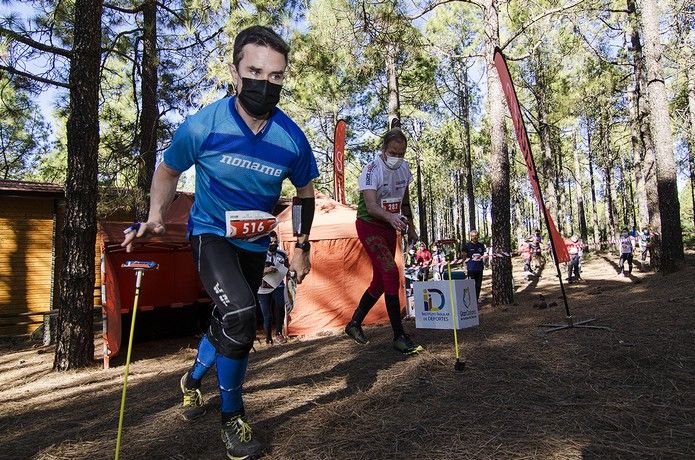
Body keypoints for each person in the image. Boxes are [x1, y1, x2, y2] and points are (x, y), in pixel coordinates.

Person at [121, 26, 319, 460]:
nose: (264, 84)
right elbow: (168, 170)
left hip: (253, 245)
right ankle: (232, 415)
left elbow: (305, 192)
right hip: (209, 234)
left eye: (276, 76)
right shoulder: (205, 125)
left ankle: (192, 381)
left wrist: (302, 246)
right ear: (235, 72)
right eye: (254, 71)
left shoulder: (291, 139)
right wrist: (156, 217)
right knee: (243, 315)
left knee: (227, 319)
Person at [344, 125, 423, 355]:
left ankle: (354, 323)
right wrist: (391, 217)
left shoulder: (404, 169)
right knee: (390, 273)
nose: (397, 158)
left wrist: (411, 227)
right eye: (393, 152)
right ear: (383, 149)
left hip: (390, 226)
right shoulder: (371, 169)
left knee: (380, 281)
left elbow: (405, 202)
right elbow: (370, 205)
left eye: (401, 154)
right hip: (370, 225)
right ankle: (399, 336)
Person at [258, 231, 289, 345]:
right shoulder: (260, 254)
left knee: (280, 307)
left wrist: (290, 273)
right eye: (271, 242)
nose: (273, 244)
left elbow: (287, 267)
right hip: (263, 287)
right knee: (267, 314)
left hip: (278, 285)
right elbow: (253, 272)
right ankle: (268, 337)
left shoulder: (283, 254)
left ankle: (279, 333)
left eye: (275, 242)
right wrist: (266, 270)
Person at [462, 230, 486, 302]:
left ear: (478, 236)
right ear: (470, 237)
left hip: (479, 268)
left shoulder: (481, 245)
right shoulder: (467, 245)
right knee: (471, 285)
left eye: (476, 236)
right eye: (473, 236)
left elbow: (483, 255)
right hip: (471, 268)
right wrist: (464, 265)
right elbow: (464, 256)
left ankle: (476, 298)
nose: (474, 237)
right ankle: (471, 299)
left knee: (478, 285)